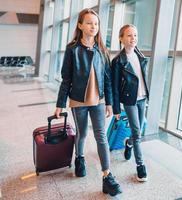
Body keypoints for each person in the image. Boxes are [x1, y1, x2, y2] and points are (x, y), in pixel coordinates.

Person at [54, 8, 121, 196]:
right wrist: (60, 103)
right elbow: (66, 78)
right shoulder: (72, 49)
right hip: (78, 100)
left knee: (101, 137)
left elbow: (107, 79)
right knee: (82, 133)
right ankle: (80, 158)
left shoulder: (102, 50)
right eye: (90, 23)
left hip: (98, 100)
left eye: (96, 23)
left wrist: (109, 103)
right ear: (80, 25)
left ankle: (107, 176)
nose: (94, 26)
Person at [111, 24, 149, 182]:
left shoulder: (140, 56)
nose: (133, 38)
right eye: (129, 35)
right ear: (121, 38)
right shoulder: (118, 61)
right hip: (129, 100)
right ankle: (140, 166)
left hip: (142, 98)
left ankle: (129, 143)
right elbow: (114, 86)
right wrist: (115, 108)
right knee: (137, 133)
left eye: (135, 35)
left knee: (138, 131)